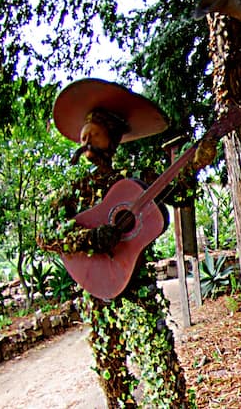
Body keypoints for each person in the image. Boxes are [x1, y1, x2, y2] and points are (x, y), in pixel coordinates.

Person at [39, 78, 200, 408]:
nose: (84, 142)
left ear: (110, 139)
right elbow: (46, 235)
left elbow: (180, 194)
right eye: (83, 136)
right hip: (97, 290)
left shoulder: (133, 180)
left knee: (160, 366)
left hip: (137, 287)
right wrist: (89, 238)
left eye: (93, 134)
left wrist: (193, 164)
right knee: (112, 375)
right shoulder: (73, 188)